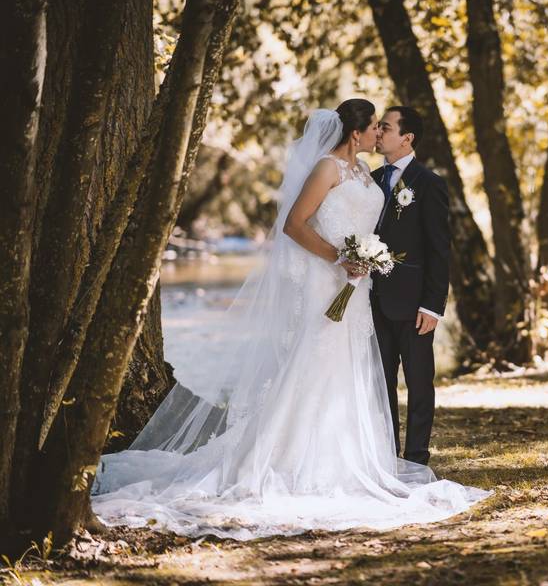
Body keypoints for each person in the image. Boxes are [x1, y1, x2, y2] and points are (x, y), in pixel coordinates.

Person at [91, 100, 489, 540]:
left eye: (385, 127)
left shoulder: (371, 175)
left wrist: (379, 270)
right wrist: (341, 258)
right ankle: (295, 459)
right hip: (329, 282)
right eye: (375, 126)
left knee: (357, 371)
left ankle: (373, 458)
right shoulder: (329, 170)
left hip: (359, 292)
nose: (379, 133)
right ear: (356, 134)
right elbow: (295, 224)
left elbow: (416, 239)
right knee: (317, 364)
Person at [370, 106, 447, 466]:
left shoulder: (428, 183)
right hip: (371, 300)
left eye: (385, 127)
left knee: (418, 384)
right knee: (380, 385)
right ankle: (386, 458)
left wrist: (432, 306)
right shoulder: (368, 180)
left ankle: (416, 459)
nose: (378, 132)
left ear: (407, 137)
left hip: (415, 303)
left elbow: (439, 249)